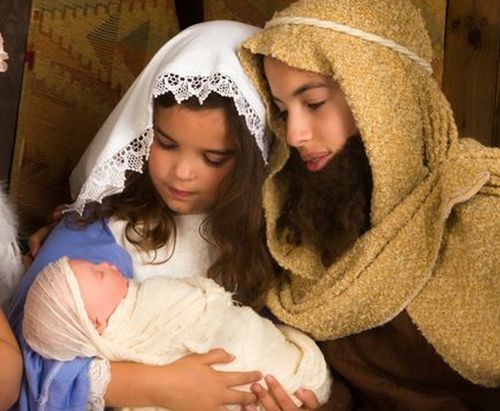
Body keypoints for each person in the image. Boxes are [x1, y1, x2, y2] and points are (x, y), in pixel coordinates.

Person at [8, 21, 319, 411]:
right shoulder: (101, 233)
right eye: (166, 144)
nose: (182, 173)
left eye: (213, 158)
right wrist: (153, 385)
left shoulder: (272, 243)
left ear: (256, 160)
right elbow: (21, 367)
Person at [239, 0, 500, 409]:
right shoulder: (298, 234)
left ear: (382, 98)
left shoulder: (486, 214)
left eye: (314, 103)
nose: (294, 134)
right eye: (282, 109)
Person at [23, 256, 331, 411]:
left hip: (287, 380)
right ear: (97, 323)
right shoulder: (140, 311)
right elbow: (204, 309)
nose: (107, 264)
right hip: (282, 383)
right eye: (99, 273)